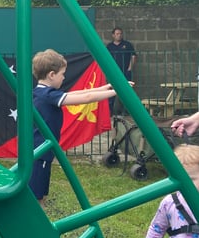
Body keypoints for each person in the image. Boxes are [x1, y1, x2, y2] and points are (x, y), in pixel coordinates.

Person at [30, 49, 132, 204]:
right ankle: (37, 225)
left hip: (43, 151)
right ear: (51, 75)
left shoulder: (41, 92)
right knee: (36, 198)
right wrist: (117, 91)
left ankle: (42, 222)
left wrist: (107, 87)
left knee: (41, 195)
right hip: (40, 153)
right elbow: (86, 98)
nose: (64, 78)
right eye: (62, 74)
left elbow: (79, 93)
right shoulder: (48, 96)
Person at [106, 26, 136, 115]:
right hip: (113, 73)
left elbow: (133, 56)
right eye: (117, 34)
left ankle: (126, 111)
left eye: (120, 34)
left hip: (125, 72)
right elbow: (106, 59)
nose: (119, 35)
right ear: (113, 35)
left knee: (127, 92)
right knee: (111, 91)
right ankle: (110, 112)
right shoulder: (109, 46)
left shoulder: (127, 44)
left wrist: (130, 68)